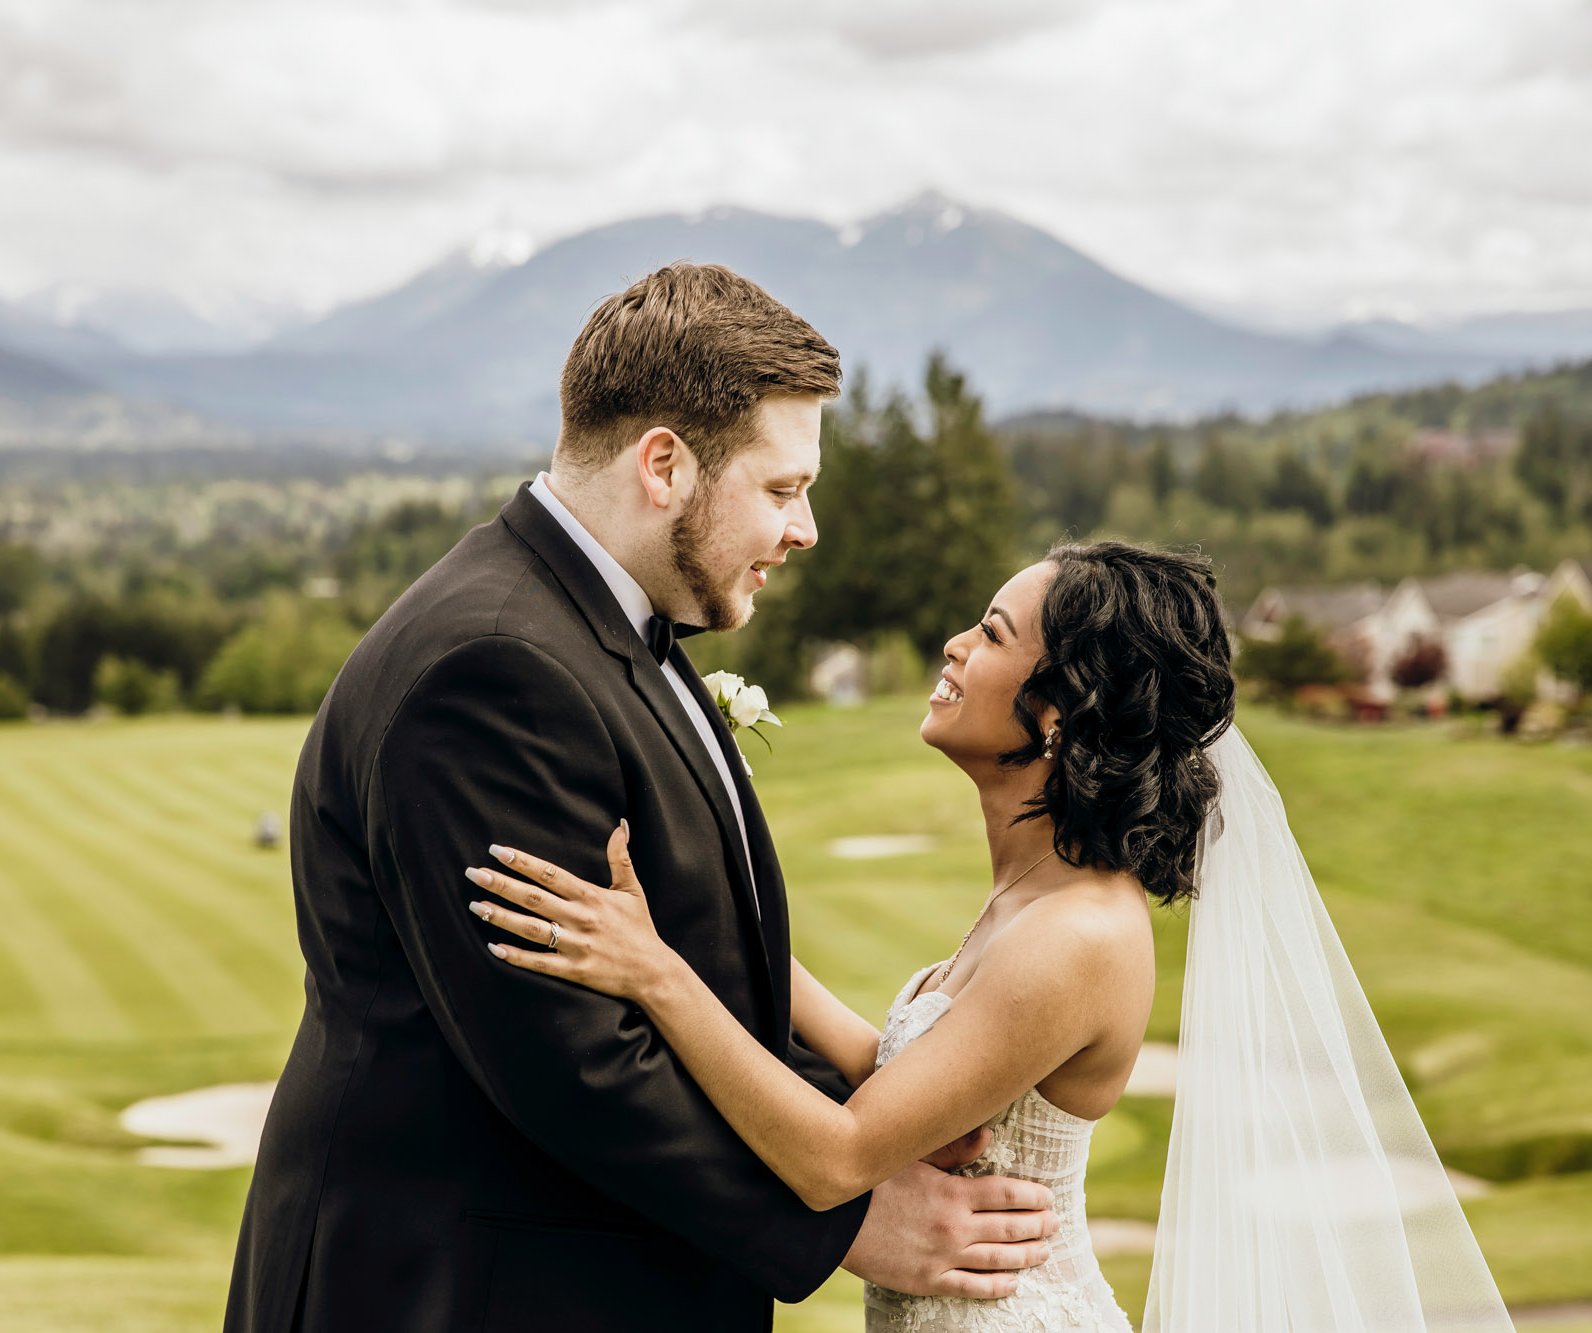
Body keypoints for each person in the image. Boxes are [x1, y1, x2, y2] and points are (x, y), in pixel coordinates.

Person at [223, 262, 1060, 1333]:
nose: (804, 530)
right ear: (663, 464)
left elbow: (704, 967)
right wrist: (845, 1220)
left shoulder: (610, 629)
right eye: (781, 488)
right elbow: (570, 1059)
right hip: (459, 1293)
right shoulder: (490, 669)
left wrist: (868, 1110)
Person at [472, 544, 1519, 1332]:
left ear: (1061, 710)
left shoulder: (1077, 936)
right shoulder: (1033, 896)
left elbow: (836, 1157)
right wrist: (692, 898)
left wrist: (653, 971)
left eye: (989, 633)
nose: (952, 646)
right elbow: (883, 1068)